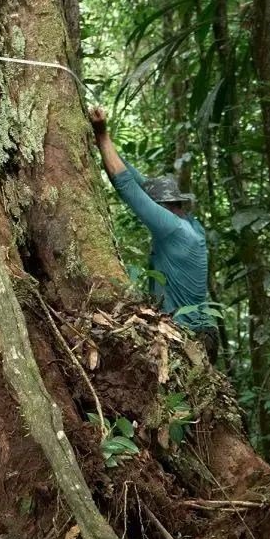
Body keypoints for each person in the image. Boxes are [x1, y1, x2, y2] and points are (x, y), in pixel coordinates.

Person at [89, 106, 219, 359]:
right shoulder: (192, 226)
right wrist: (102, 141)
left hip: (190, 338)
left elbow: (127, 187)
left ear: (163, 208)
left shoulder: (171, 228)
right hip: (202, 332)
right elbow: (140, 182)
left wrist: (103, 135)